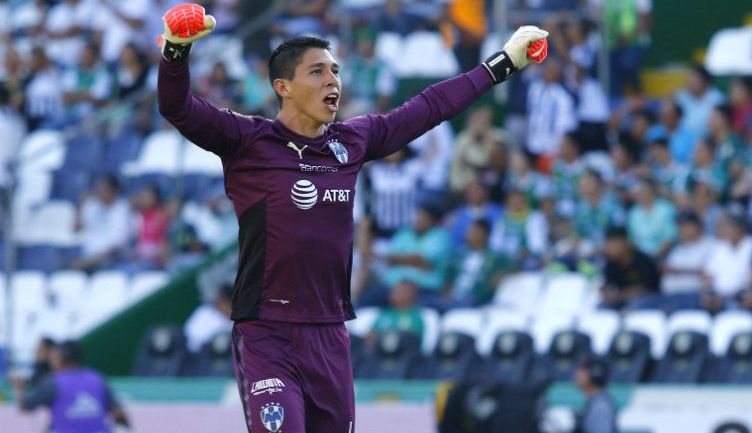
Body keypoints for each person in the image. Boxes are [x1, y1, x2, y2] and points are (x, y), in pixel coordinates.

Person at [156, 4, 548, 433]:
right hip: (267, 331)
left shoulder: (352, 141)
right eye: (318, 72)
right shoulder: (249, 141)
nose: (333, 82)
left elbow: (430, 106)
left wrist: (503, 63)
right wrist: (176, 53)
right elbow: (178, 108)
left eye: (336, 71)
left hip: (330, 333)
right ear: (283, 87)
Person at [13, 341, 130, 433]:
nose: (51, 362)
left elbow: (24, 406)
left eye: (53, 358)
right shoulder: (97, 378)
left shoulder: (53, 382)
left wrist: (20, 389)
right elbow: (118, 413)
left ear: (61, 359)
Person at [600, 226, 661, 311]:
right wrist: (605, 292)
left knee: (635, 305)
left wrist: (618, 295)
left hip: (649, 300)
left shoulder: (644, 260)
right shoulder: (611, 264)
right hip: (621, 301)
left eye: (612, 244)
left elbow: (644, 289)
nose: (607, 249)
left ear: (625, 243)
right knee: (602, 307)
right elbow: (609, 286)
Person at [573, 357, 619, 433]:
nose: (577, 374)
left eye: (582, 370)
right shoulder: (595, 402)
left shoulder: (601, 406)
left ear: (595, 373)